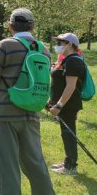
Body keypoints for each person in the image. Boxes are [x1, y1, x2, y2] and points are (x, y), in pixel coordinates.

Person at [0, 8, 55, 195]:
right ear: (32, 26)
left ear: (10, 26)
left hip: (4, 115)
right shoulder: (44, 49)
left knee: (8, 167)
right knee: (35, 163)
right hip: (31, 113)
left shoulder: (5, 45)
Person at [48, 33, 85, 175]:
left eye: (60, 43)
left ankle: (70, 167)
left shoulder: (73, 61)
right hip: (64, 104)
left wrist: (59, 105)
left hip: (68, 105)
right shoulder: (67, 60)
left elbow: (70, 87)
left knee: (69, 134)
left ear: (69, 44)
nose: (57, 46)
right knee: (66, 134)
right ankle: (68, 162)